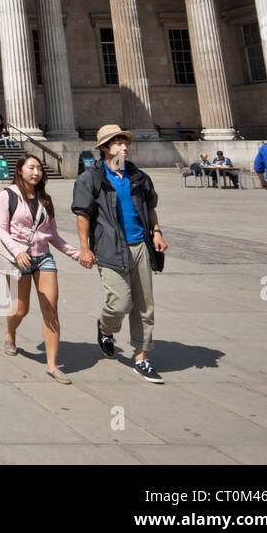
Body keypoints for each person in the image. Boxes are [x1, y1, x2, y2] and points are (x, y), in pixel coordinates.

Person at [73, 124, 168, 384]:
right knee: (120, 302)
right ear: (104, 148)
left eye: (125, 142)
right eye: (116, 143)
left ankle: (141, 357)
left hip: (140, 245)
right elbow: (83, 215)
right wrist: (84, 248)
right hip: (108, 246)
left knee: (144, 305)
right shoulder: (90, 178)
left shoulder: (138, 176)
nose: (123, 147)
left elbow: (150, 207)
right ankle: (105, 327)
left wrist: (157, 232)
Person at [0, 155, 82, 384]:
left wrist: (77, 255)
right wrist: (17, 251)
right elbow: (2, 230)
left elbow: (52, 236)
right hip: (17, 259)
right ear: (20, 169)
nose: (36, 172)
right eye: (31, 167)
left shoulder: (46, 199)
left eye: (39, 168)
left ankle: (52, 365)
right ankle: (11, 334)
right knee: (21, 309)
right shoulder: (7, 195)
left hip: (43, 257)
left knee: (51, 309)